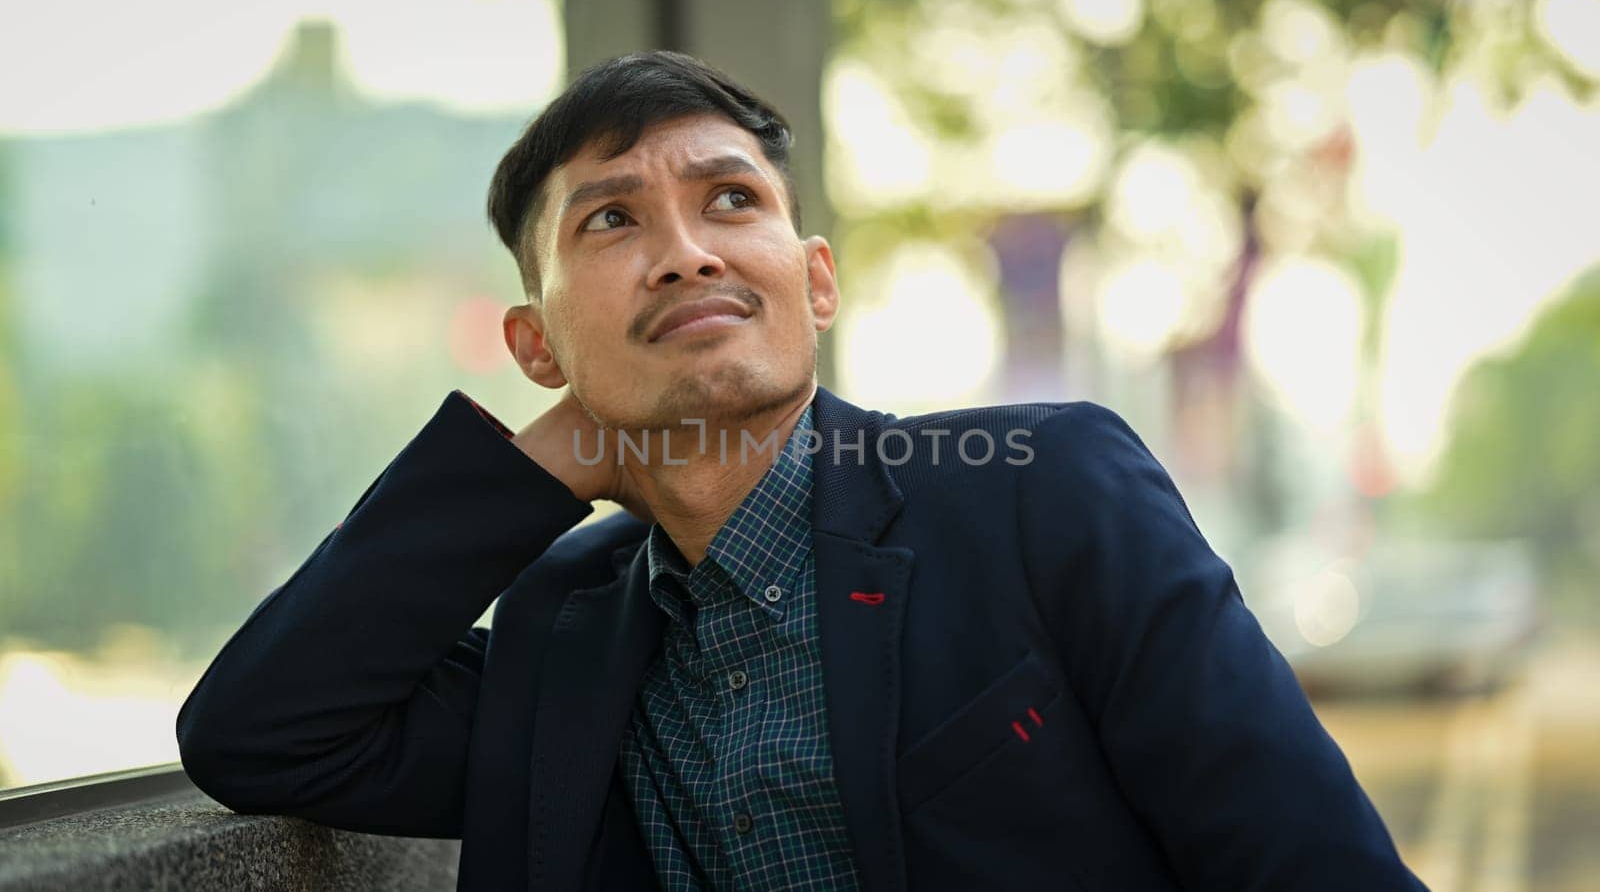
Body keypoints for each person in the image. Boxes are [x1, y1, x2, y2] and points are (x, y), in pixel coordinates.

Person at [176, 51, 1426, 891]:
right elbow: (262, 732)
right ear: (534, 341)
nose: (683, 254)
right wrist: (550, 451)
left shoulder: (1044, 489)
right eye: (610, 221)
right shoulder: (568, 630)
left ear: (812, 281)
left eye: (729, 200)